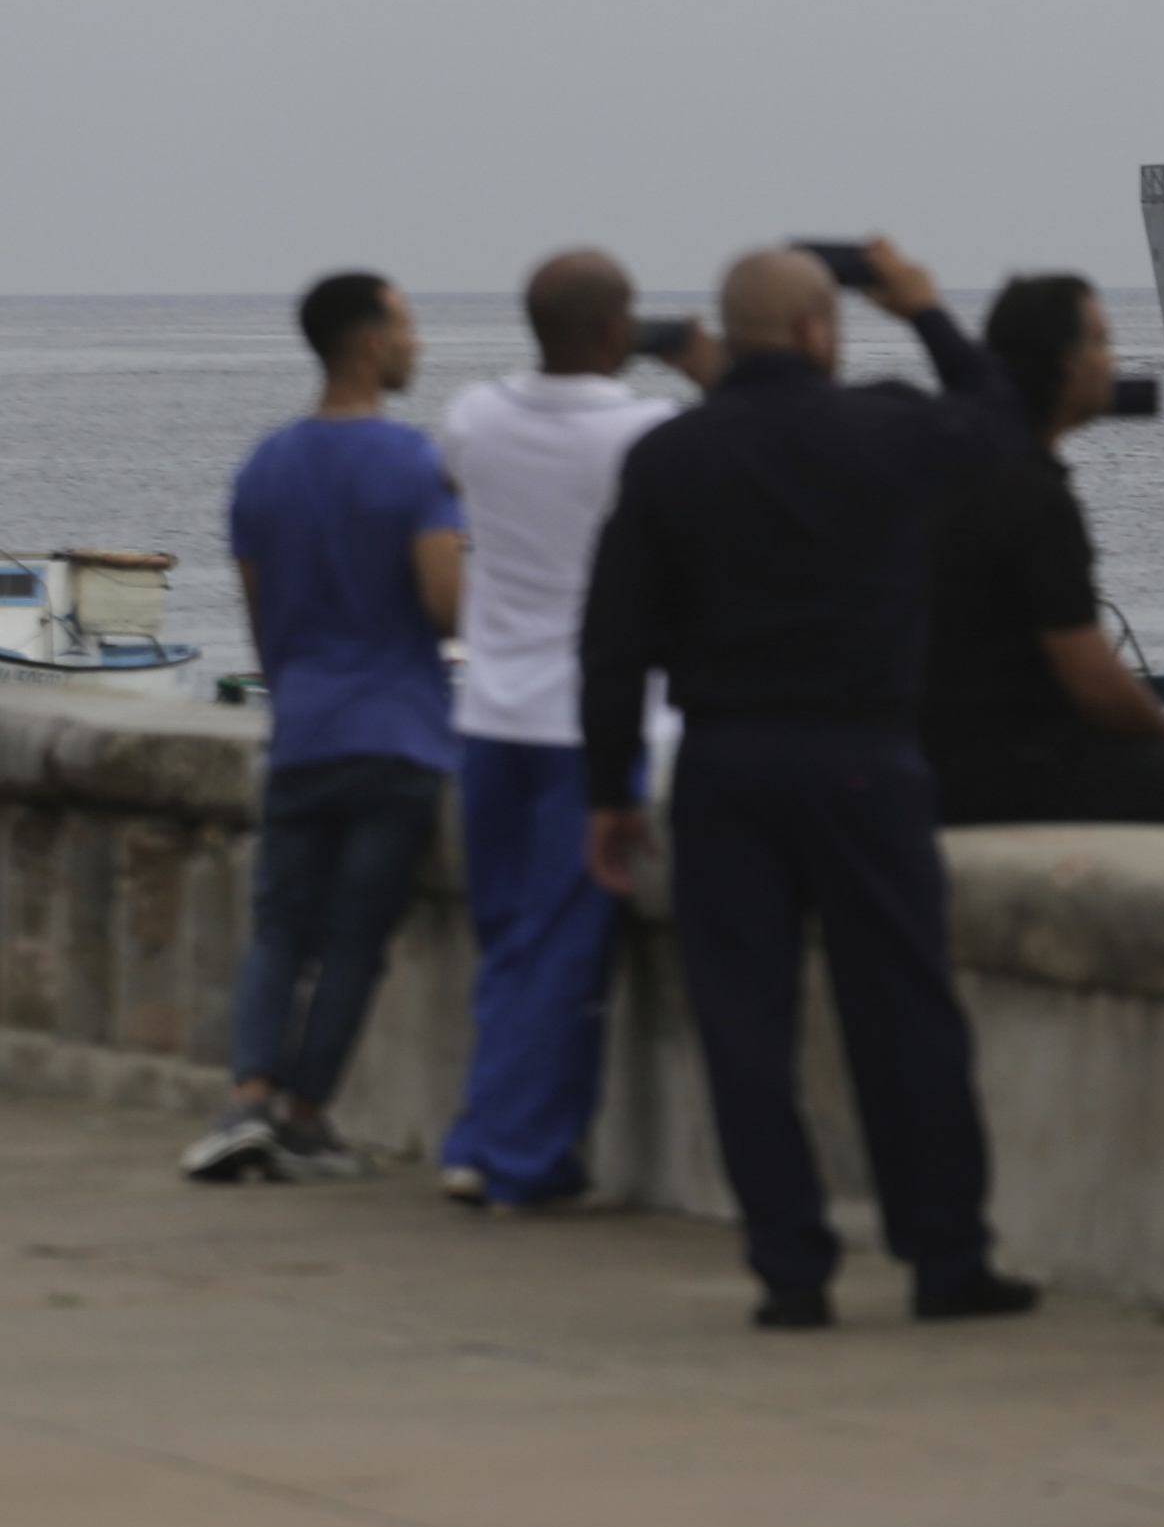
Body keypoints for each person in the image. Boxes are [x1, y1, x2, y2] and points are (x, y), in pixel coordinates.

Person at [579, 240, 1040, 1332]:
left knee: (744, 1020)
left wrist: (610, 789)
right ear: (823, 331)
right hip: (863, 756)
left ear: (726, 338)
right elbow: (998, 422)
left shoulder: (671, 457)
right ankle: (943, 1255)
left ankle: (791, 1264)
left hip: (727, 763)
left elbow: (613, 643)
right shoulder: (886, 430)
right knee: (904, 1011)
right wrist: (926, 309)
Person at [435, 251, 706, 1212]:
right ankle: (520, 1156)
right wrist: (708, 369)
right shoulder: (646, 432)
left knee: (508, 934)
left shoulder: (472, 416)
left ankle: (479, 1133)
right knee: (561, 943)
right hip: (595, 721)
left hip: (490, 713)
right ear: (615, 330)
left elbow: (462, 482)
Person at [184, 272, 463, 1184]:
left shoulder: (265, 465)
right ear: (372, 343)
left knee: (278, 926)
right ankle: (308, 1119)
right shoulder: (418, 464)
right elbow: (443, 604)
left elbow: (264, 620)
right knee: (352, 937)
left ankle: (247, 1101)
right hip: (400, 737)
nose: (418, 343)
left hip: (305, 728)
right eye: (410, 326)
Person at [921, 273, 1164, 839]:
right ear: (1066, 365)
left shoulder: (961, 470)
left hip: (939, 754)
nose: (1111, 360)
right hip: (1010, 770)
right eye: (1099, 342)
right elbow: (1093, 682)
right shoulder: (1034, 496)